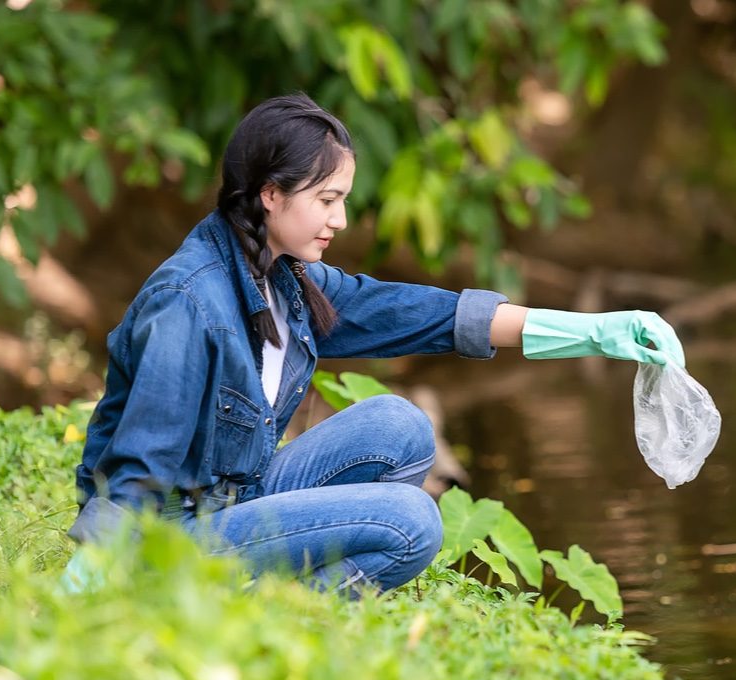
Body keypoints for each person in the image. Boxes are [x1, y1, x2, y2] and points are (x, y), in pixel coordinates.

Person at [63, 93, 684, 598]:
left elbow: (427, 315)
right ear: (270, 193)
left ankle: (257, 593)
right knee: (411, 522)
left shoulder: (283, 276)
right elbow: (140, 465)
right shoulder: (190, 303)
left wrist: (593, 331)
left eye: (343, 202)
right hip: (170, 541)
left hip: (235, 499)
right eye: (326, 200)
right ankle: (259, 621)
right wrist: (81, 590)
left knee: (401, 426)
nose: (339, 220)